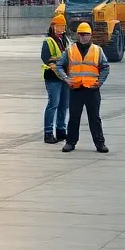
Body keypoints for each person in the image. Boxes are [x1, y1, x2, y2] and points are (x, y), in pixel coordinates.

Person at [53, 22, 110, 153]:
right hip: (76, 89)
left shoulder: (97, 50)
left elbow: (105, 67)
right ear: (78, 35)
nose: (84, 37)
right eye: (82, 34)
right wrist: (66, 79)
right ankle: (70, 142)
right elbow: (59, 65)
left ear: (91, 35)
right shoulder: (70, 50)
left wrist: (99, 82)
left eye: (86, 34)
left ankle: (100, 143)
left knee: (94, 118)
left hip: (92, 89)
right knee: (74, 117)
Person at [41, 14, 70, 144]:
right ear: (53, 26)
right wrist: (58, 63)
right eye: (59, 26)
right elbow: (47, 58)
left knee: (64, 105)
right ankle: (48, 133)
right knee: (53, 104)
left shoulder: (65, 40)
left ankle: (61, 130)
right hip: (53, 77)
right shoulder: (49, 41)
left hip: (64, 77)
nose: (61, 28)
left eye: (63, 26)